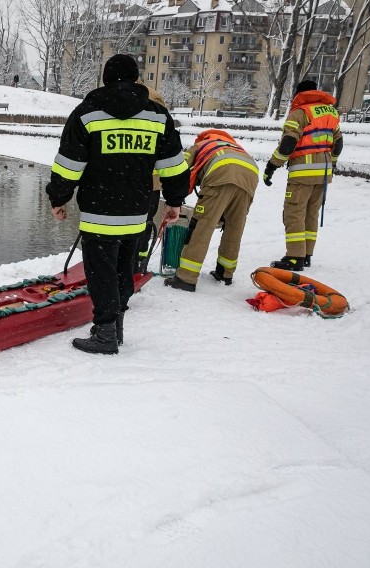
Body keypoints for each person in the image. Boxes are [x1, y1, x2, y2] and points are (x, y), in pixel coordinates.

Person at [47, 54, 189, 355]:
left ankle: (105, 334)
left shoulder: (86, 114)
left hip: (99, 210)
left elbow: (69, 165)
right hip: (137, 210)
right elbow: (175, 167)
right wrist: (175, 201)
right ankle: (117, 325)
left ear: (106, 79)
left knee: (101, 272)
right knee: (124, 270)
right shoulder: (157, 116)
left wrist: (59, 198)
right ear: (136, 79)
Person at [163, 129, 259, 292]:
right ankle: (225, 273)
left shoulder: (201, 144)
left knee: (202, 227)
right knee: (234, 227)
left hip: (221, 174)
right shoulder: (234, 147)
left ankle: (186, 277)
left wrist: (175, 197)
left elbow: (180, 169)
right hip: (250, 176)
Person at [264, 79, 343, 271]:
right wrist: (330, 165)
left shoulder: (300, 113)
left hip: (302, 173)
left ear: (298, 94)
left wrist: (272, 166)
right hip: (323, 174)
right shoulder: (331, 112)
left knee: (294, 213)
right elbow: (338, 144)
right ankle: (306, 254)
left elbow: (288, 143)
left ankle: (294, 257)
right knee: (311, 214)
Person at [134, 84, 170, 274]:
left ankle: (127, 261)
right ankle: (138, 263)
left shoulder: (120, 99)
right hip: (151, 182)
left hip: (128, 178)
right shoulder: (156, 103)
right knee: (144, 223)